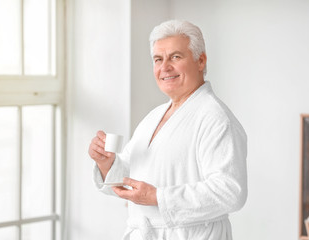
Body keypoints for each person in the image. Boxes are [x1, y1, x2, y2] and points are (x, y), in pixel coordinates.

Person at [88, 19, 247, 240]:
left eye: (175, 57)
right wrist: (107, 163)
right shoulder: (154, 116)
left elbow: (230, 192)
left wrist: (159, 197)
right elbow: (134, 175)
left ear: (201, 61)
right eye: (158, 59)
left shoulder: (215, 118)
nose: (165, 68)